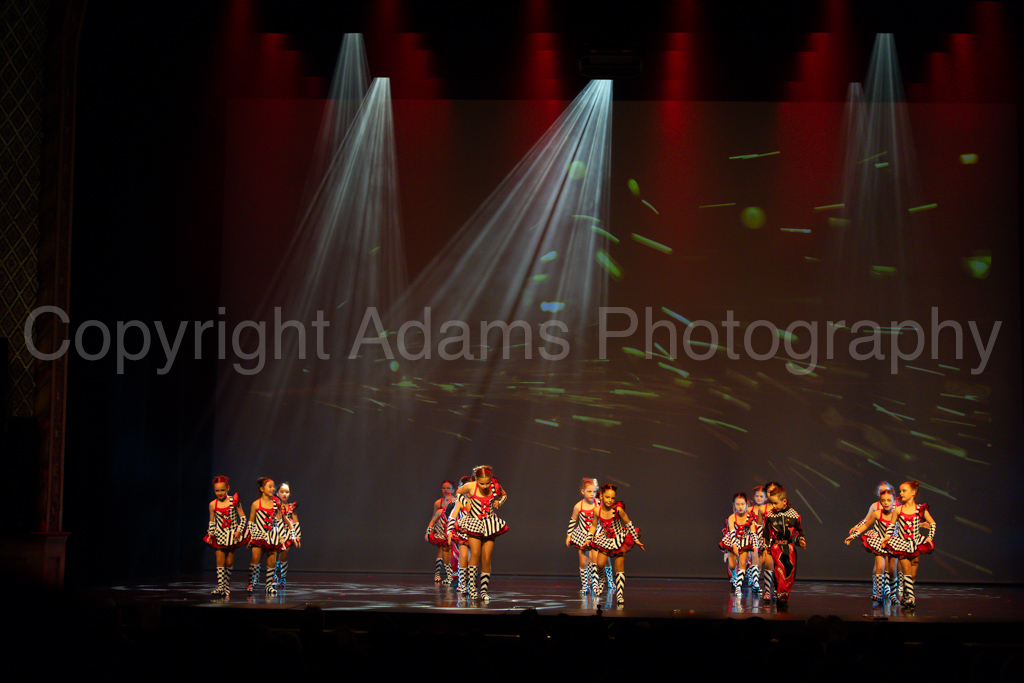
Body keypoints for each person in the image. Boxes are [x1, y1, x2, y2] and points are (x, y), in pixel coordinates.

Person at [448, 466, 508, 600]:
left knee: (486, 557)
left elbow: (504, 495)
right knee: (475, 554)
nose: (485, 486)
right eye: (482, 483)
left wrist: (499, 502)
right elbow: (458, 493)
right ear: (476, 480)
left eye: (487, 483)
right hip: (474, 523)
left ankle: (484, 591)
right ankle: (471, 588)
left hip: (489, 524)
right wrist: (465, 501)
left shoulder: (494, 486)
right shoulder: (470, 487)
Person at [587, 483, 644, 605]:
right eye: (607, 497)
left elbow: (628, 523)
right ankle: (602, 580)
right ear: (601, 496)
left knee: (619, 567)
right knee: (600, 565)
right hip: (606, 540)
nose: (610, 500)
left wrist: (635, 539)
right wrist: (588, 539)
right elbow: (593, 526)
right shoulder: (597, 510)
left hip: (619, 540)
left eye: (612, 498)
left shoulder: (618, 510)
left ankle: (619, 594)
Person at [883, 480, 936, 608]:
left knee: (912, 575)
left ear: (913, 493)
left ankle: (906, 596)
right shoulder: (898, 510)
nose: (901, 493)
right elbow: (891, 526)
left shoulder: (920, 509)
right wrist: (887, 537)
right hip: (902, 544)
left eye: (904, 491)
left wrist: (929, 538)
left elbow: (933, 523)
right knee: (906, 571)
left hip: (916, 543)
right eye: (900, 491)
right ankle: (911, 598)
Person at [845, 487, 898, 604]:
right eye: (883, 500)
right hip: (880, 543)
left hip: (893, 543)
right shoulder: (877, 513)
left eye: (889, 500)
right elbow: (866, 525)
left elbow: (907, 524)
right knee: (879, 567)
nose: (886, 503)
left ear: (894, 501)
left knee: (892, 570)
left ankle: (893, 595)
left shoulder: (897, 513)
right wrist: (853, 536)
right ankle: (878, 593)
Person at [246, 477, 295, 595]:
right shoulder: (256, 504)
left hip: (272, 535)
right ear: (262, 489)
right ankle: (251, 582)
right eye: (270, 486)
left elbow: (279, 520)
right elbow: (251, 522)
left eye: (273, 486)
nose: (273, 489)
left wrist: (282, 536)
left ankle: (268, 585)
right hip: (258, 535)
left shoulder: (276, 503)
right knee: (255, 558)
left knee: (272, 560)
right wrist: (250, 536)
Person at [203, 475, 249, 596]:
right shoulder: (213, 504)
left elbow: (243, 518)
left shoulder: (234, 501)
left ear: (228, 488)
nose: (220, 493)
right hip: (219, 536)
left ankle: (226, 585)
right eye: (217, 491)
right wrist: (210, 533)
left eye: (222, 490)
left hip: (232, 536)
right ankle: (221, 587)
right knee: (219, 560)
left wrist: (239, 531)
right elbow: (212, 521)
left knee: (228, 562)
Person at [762, 487, 805, 604]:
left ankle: (784, 594)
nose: (774, 506)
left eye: (776, 503)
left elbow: (799, 531)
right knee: (779, 570)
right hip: (776, 547)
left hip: (789, 548)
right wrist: (765, 548)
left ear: (784, 501)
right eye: (772, 503)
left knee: (790, 572)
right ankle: (781, 595)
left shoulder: (794, 515)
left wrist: (800, 540)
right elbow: (766, 533)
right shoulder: (770, 515)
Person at [719, 492, 759, 597]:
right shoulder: (732, 517)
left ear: (746, 504)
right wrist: (734, 546)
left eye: (742, 504)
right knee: (732, 565)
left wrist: (755, 545)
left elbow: (753, 532)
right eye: (737, 504)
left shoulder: (750, 517)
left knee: (742, 564)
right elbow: (732, 532)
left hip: (745, 542)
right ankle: (734, 577)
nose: (740, 507)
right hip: (733, 542)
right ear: (734, 505)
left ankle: (738, 587)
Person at [565, 478, 600, 595]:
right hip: (582, 535)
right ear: (582, 491)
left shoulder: (598, 503)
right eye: (589, 491)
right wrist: (569, 535)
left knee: (595, 561)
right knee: (583, 562)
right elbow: (573, 521)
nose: (592, 494)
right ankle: (585, 585)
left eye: (594, 492)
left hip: (595, 535)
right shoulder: (578, 506)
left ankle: (595, 584)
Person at [425, 480, 456, 584]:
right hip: (442, 529)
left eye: (448, 488)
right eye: (443, 488)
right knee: (442, 548)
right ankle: (437, 573)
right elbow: (434, 517)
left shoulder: (455, 501)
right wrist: (430, 531)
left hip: (453, 529)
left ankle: (452, 575)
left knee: (452, 551)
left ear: (453, 490)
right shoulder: (438, 503)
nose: (445, 490)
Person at [448, 475, 473, 593]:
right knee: (463, 555)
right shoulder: (460, 501)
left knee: (473, 558)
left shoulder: (478, 501)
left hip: (476, 532)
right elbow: (452, 516)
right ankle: (462, 583)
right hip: (463, 533)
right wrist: (449, 531)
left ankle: (470, 583)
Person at [276, 481, 301, 588]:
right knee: (275, 556)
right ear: (277, 493)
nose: (284, 494)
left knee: (284, 555)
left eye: (287, 492)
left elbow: (295, 522)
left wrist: (297, 536)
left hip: (288, 534)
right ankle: (273, 576)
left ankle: (283, 578)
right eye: (282, 492)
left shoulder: (291, 507)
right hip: (276, 533)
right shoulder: (275, 506)